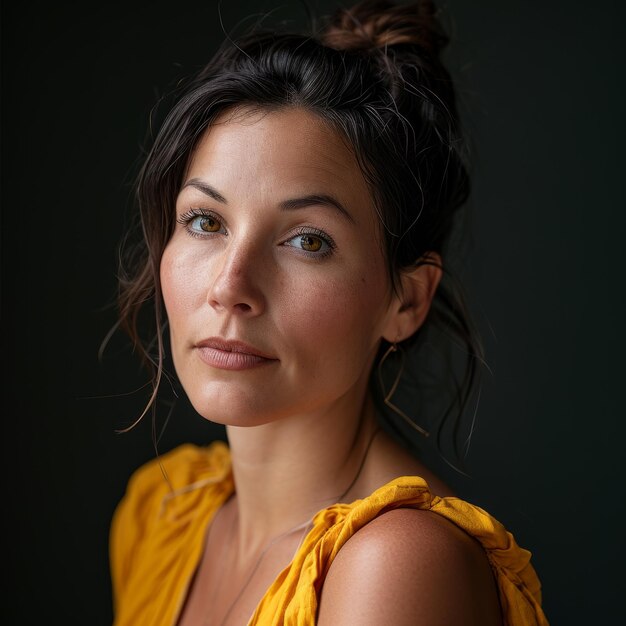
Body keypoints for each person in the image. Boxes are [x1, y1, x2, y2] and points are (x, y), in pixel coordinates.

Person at [108, 1, 549, 624]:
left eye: (307, 240)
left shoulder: (394, 566)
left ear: (407, 301)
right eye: (206, 221)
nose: (231, 286)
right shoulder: (162, 514)